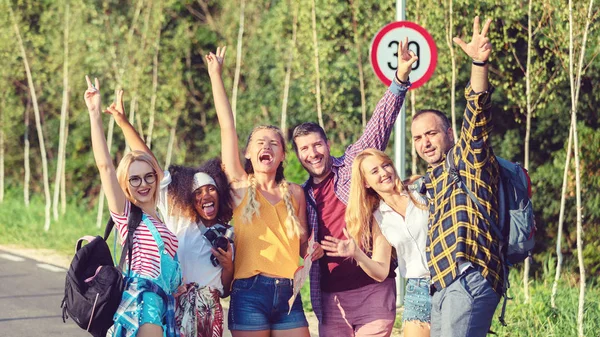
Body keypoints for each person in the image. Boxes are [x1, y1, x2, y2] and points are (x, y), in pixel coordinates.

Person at [291, 37, 418, 336]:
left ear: (327, 144)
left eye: (317, 145)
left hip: (374, 288)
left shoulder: (351, 164)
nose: (313, 154)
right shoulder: (300, 195)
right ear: (298, 156)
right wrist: (309, 250)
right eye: (305, 149)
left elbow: (381, 121)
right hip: (330, 299)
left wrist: (400, 78)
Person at [104, 90, 234, 337]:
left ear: (221, 194)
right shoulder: (179, 219)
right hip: (175, 306)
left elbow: (227, 288)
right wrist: (122, 122)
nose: (205, 196)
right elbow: (150, 165)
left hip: (210, 311)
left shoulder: (227, 234)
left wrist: (228, 264)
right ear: (187, 197)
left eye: (211, 190)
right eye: (197, 192)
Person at [206, 46, 316, 337]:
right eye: (259, 142)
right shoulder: (240, 187)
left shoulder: (296, 193)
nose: (266, 146)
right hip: (249, 292)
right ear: (248, 153)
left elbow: (303, 248)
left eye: (274, 143)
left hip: (289, 294)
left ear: (282, 156)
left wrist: (312, 249)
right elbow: (227, 127)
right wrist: (216, 74)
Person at [410, 16, 502, 337]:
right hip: (443, 284)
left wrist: (479, 63)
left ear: (448, 133)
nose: (425, 143)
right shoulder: (430, 181)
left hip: (468, 276)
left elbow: (476, 114)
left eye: (431, 134)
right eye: (418, 138)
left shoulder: (467, 159)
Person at [84, 76, 181, 337]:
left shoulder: (161, 218)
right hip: (143, 303)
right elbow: (105, 166)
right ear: (126, 185)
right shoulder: (128, 217)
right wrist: (95, 114)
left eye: (149, 176)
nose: (143, 183)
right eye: (134, 179)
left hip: (164, 305)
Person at [321, 149, 431, 337]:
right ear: (365, 182)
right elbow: (380, 271)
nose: (383, 173)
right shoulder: (379, 217)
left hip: (451, 279)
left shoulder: (421, 190)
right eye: (374, 171)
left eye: (386, 165)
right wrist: (357, 253)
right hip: (418, 287)